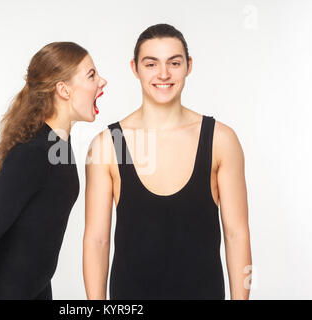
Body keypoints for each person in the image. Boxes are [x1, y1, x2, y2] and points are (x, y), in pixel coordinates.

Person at [83, 24, 251, 299]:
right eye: (151, 64)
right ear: (135, 68)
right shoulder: (106, 146)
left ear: (189, 66)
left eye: (174, 63)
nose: (163, 74)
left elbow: (237, 235)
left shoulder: (221, 139)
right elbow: (97, 241)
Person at [0, 42, 107, 299]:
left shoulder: (59, 144)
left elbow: (36, 243)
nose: (102, 81)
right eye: (91, 75)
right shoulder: (33, 151)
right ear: (63, 89)